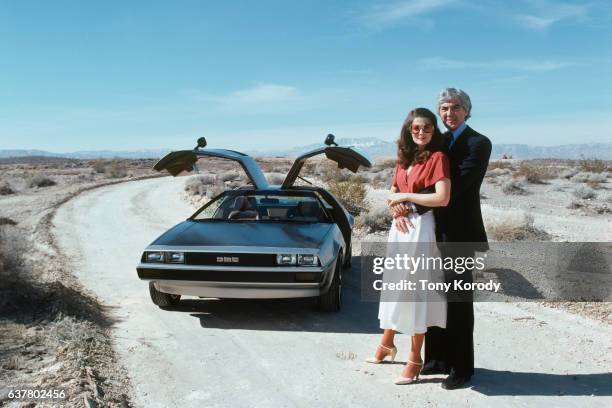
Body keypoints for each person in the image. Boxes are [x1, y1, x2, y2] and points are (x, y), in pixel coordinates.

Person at [393, 88, 492, 390]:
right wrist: (398, 202)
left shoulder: (478, 143)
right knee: (432, 295)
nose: (449, 113)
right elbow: (416, 175)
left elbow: (458, 186)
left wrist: (408, 202)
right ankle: (436, 358)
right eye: (445, 108)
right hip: (429, 231)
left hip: (460, 234)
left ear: (467, 111)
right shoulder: (438, 141)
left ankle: (462, 368)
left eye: (456, 108)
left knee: (458, 301)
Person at [366, 107, 451, 385]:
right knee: (395, 286)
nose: (421, 132)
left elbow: (442, 198)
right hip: (400, 229)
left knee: (415, 289)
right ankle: (387, 343)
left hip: (421, 231)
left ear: (433, 130)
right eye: (416, 128)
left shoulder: (438, 157)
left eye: (427, 128)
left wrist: (405, 197)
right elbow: (391, 193)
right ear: (408, 130)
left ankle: (415, 358)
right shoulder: (403, 159)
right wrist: (397, 209)